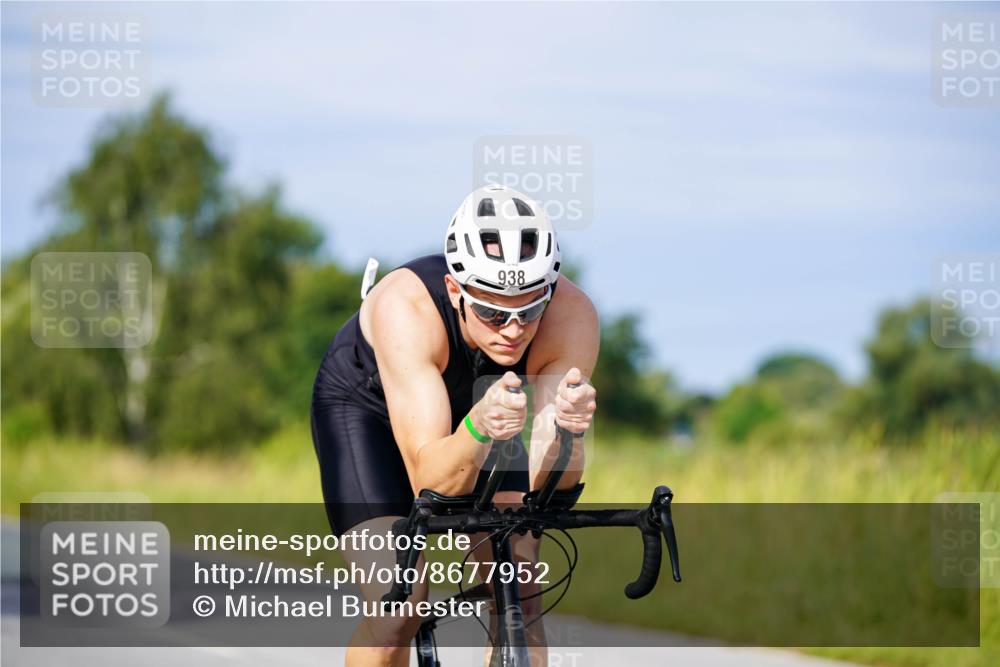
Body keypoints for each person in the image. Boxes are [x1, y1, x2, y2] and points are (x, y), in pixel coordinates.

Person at [311, 184, 599, 667]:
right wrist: (478, 430)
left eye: (529, 310)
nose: (513, 329)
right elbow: (432, 482)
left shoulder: (571, 314)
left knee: (519, 589)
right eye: (491, 311)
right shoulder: (407, 307)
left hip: (488, 409)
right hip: (368, 411)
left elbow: (550, 488)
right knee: (399, 606)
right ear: (454, 291)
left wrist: (569, 435)